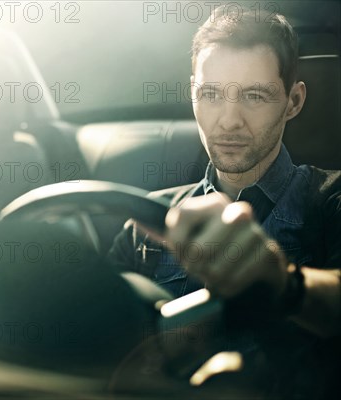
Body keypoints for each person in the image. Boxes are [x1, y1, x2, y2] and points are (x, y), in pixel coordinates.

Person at [107, 6, 341, 338]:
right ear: (192, 93)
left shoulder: (332, 199)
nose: (229, 120)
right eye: (211, 94)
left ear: (294, 101)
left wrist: (283, 283)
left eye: (254, 95)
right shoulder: (147, 224)